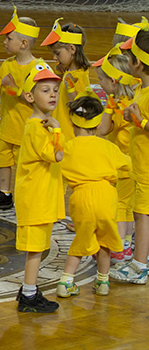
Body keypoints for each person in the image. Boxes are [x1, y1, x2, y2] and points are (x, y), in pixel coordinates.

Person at [57, 96, 130, 298]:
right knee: (105, 242)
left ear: (71, 122)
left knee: (81, 240)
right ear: (98, 124)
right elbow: (127, 166)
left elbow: (56, 169)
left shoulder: (67, 147)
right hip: (107, 196)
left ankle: (66, 281)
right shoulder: (108, 147)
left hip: (81, 197)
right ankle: (103, 282)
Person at [13, 61, 65, 312]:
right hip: (35, 199)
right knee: (35, 250)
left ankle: (29, 290)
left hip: (42, 196)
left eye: (55, 90)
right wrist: (58, 131)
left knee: (39, 247)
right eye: (45, 90)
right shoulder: (37, 128)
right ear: (30, 96)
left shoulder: (41, 124)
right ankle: (29, 295)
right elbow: (57, 155)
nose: (53, 94)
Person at [0, 8, 40, 211]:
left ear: (23, 43)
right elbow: (0, 89)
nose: (5, 42)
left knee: (25, 165)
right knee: (2, 160)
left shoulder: (37, 68)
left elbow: (36, 100)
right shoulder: (6, 64)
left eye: (9, 38)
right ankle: (5, 193)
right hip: (7, 126)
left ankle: (27, 196)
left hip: (26, 130)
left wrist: (13, 88)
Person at [111, 30, 149, 284]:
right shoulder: (142, 88)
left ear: (138, 63)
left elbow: (143, 120)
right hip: (141, 166)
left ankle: (139, 266)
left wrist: (140, 121)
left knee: (142, 215)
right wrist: (130, 116)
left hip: (147, 169)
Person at [94, 46, 138, 265]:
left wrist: (109, 108)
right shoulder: (133, 99)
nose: (99, 84)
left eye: (101, 79)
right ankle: (127, 244)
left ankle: (118, 247)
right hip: (135, 163)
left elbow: (102, 130)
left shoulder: (119, 106)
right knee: (128, 206)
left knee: (119, 205)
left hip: (124, 163)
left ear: (113, 81)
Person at [40, 20, 91, 141]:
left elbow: (81, 109)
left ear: (72, 49)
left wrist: (71, 89)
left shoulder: (78, 77)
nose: (54, 58)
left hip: (69, 136)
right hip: (62, 131)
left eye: (57, 53)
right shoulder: (70, 72)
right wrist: (61, 75)